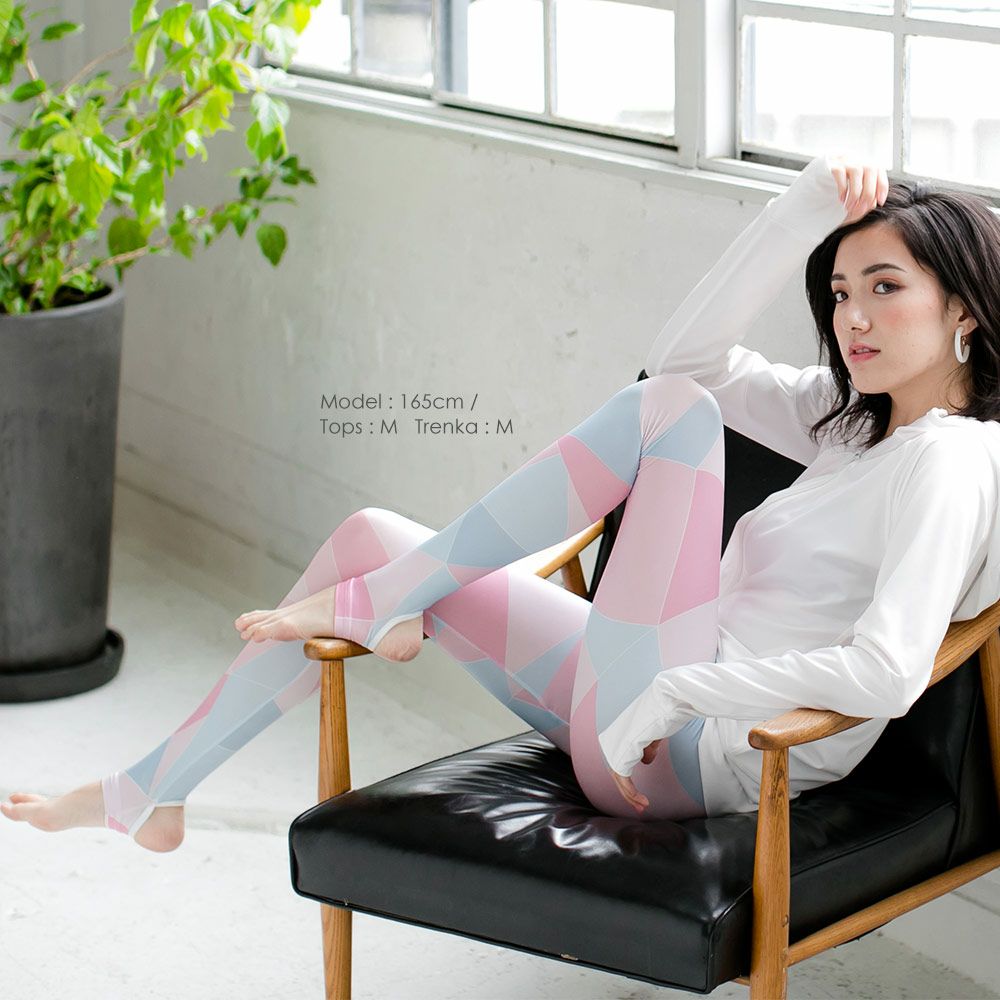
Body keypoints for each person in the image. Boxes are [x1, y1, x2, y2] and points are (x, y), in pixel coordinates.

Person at [5, 152, 1000, 853]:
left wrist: (681, 693)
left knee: (674, 416)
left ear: (963, 306)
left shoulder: (951, 462)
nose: (852, 316)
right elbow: (682, 356)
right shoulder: (853, 425)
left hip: (689, 751)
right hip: (645, 709)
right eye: (839, 291)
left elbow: (886, 671)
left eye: (884, 287)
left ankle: (391, 596)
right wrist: (799, 207)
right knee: (368, 535)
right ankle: (152, 790)